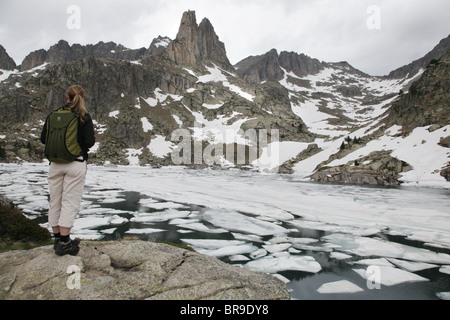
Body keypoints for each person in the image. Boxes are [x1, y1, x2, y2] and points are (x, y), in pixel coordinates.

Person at [40, 85, 95, 256]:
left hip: (55, 163)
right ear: (82, 97)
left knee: (55, 200)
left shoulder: (53, 115)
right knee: (70, 202)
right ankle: (65, 242)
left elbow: (43, 138)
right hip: (75, 163)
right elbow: (89, 142)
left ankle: (57, 238)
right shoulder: (83, 117)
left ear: (66, 97)